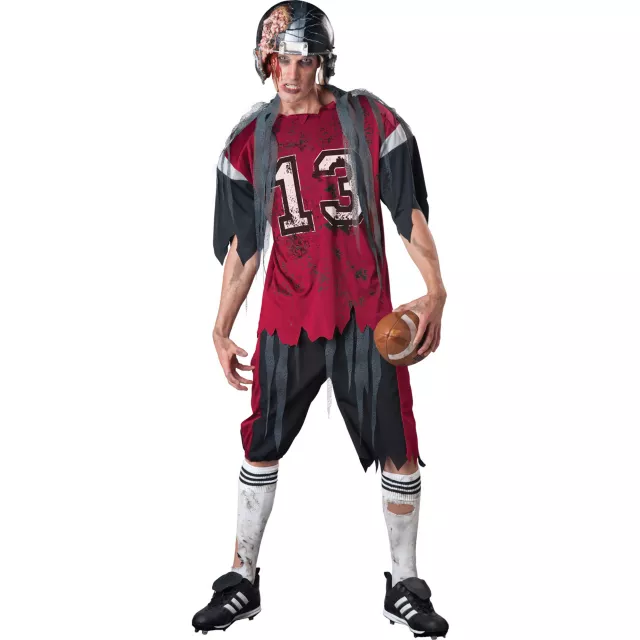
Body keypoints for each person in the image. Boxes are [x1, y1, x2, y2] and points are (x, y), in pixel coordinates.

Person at [192, 2, 449, 637]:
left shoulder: (370, 119)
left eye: (303, 60)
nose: (290, 73)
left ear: (322, 62)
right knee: (260, 442)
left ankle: (405, 582)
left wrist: (436, 289)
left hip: (364, 314)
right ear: (265, 62)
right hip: (287, 316)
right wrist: (220, 327)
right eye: (280, 59)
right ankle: (242, 578)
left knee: (399, 447)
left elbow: (409, 213)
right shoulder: (249, 141)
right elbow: (243, 250)